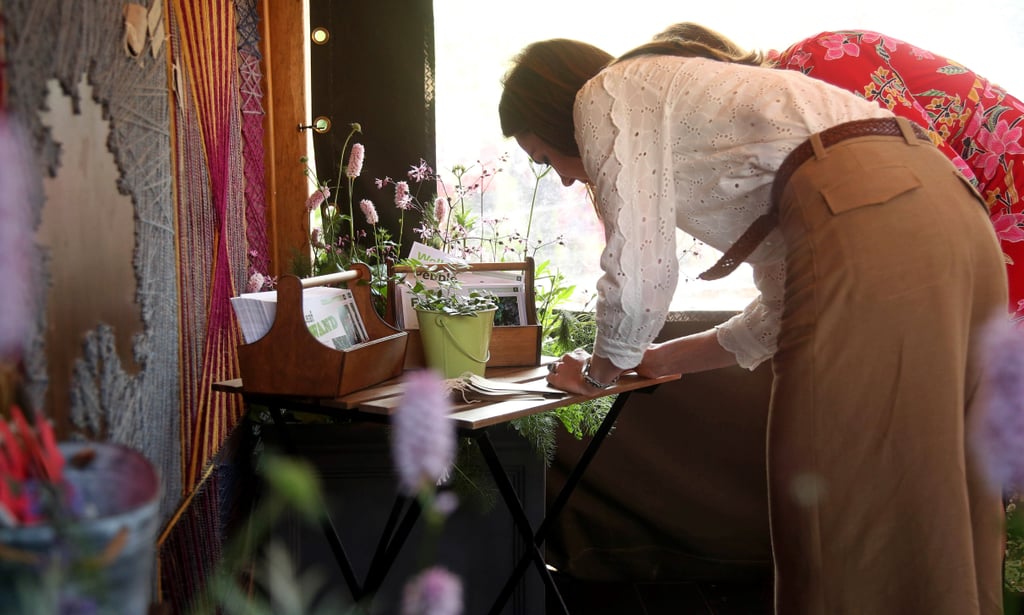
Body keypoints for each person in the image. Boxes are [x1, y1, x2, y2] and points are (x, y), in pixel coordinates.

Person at [499, 34, 1007, 614]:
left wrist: (597, 374)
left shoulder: (604, 92)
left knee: (827, 504)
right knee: (942, 502)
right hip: (954, 212)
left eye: (543, 158)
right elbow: (780, 313)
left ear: (555, 108)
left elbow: (641, 275)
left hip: (875, 210)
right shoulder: (737, 132)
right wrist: (656, 361)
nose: (562, 179)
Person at [656, 23, 1024, 322]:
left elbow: (943, 190)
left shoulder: (817, 64)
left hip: (1008, 201)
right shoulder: (790, 121)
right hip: (990, 217)